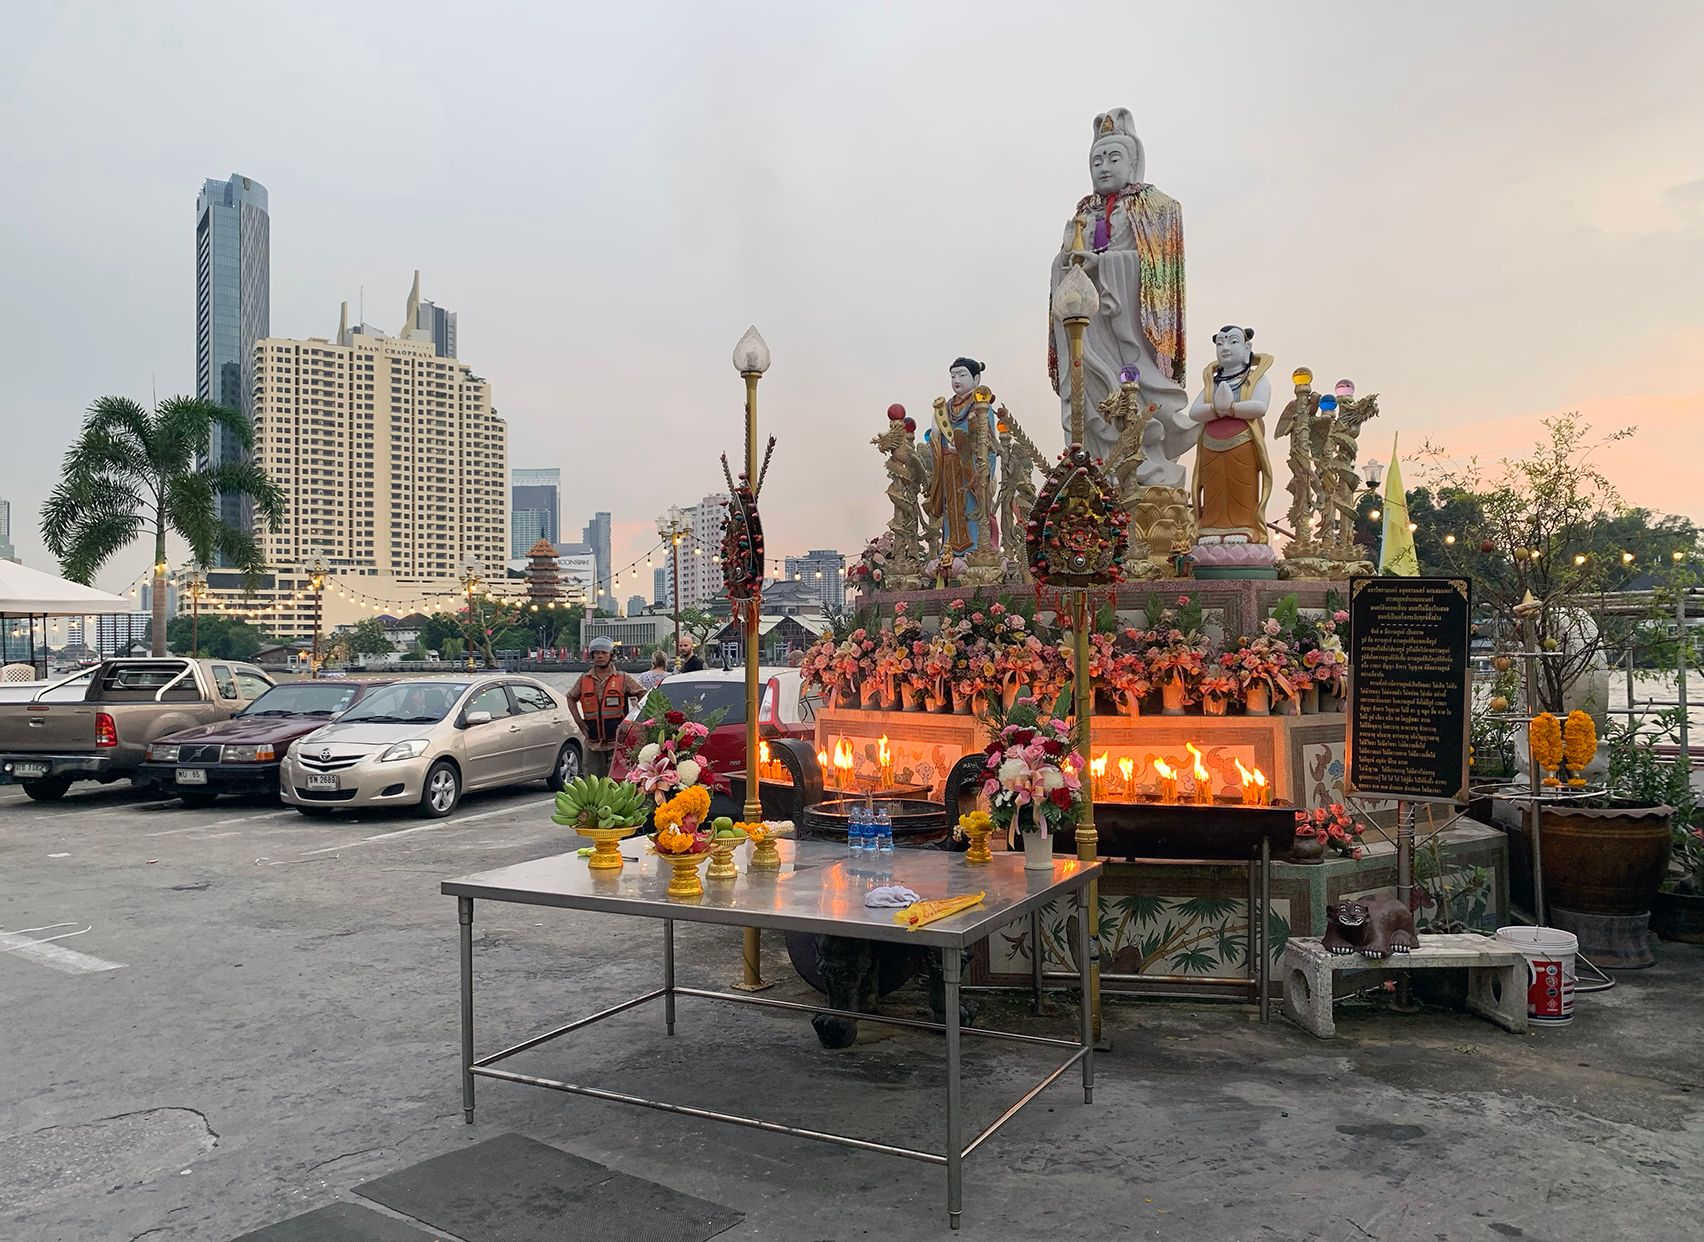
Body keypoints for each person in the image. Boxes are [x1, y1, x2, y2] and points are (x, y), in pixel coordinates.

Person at [571, 637, 646, 778]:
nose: (600, 656)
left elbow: (643, 694)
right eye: (596, 653)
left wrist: (633, 720)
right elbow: (570, 697)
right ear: (592, 656)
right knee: (592, 782)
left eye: (604, 653)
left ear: (611, 655)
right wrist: (579, 722)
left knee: (617, 781)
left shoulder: (623, 678)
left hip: (616, 743)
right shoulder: (584, 679)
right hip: (592, 743)